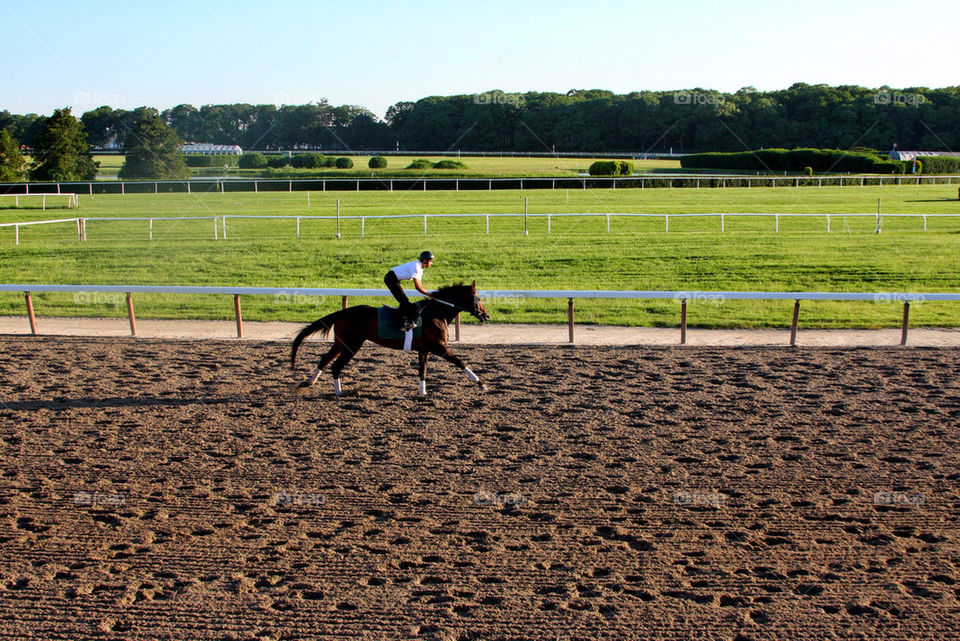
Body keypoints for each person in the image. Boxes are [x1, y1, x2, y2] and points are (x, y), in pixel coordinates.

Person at [385, 251, 434, 330]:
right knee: (404, 301)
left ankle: (405, 321)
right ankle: (400, 324)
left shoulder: (420, 268)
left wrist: (429, 294)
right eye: (430, 260)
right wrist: (429, 295)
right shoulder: (416, 267)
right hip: (391, 279)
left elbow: (420, 285)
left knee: (404, 301)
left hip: (393, 279)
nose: (431, 263)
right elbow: (417, 287)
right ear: (425, 260)